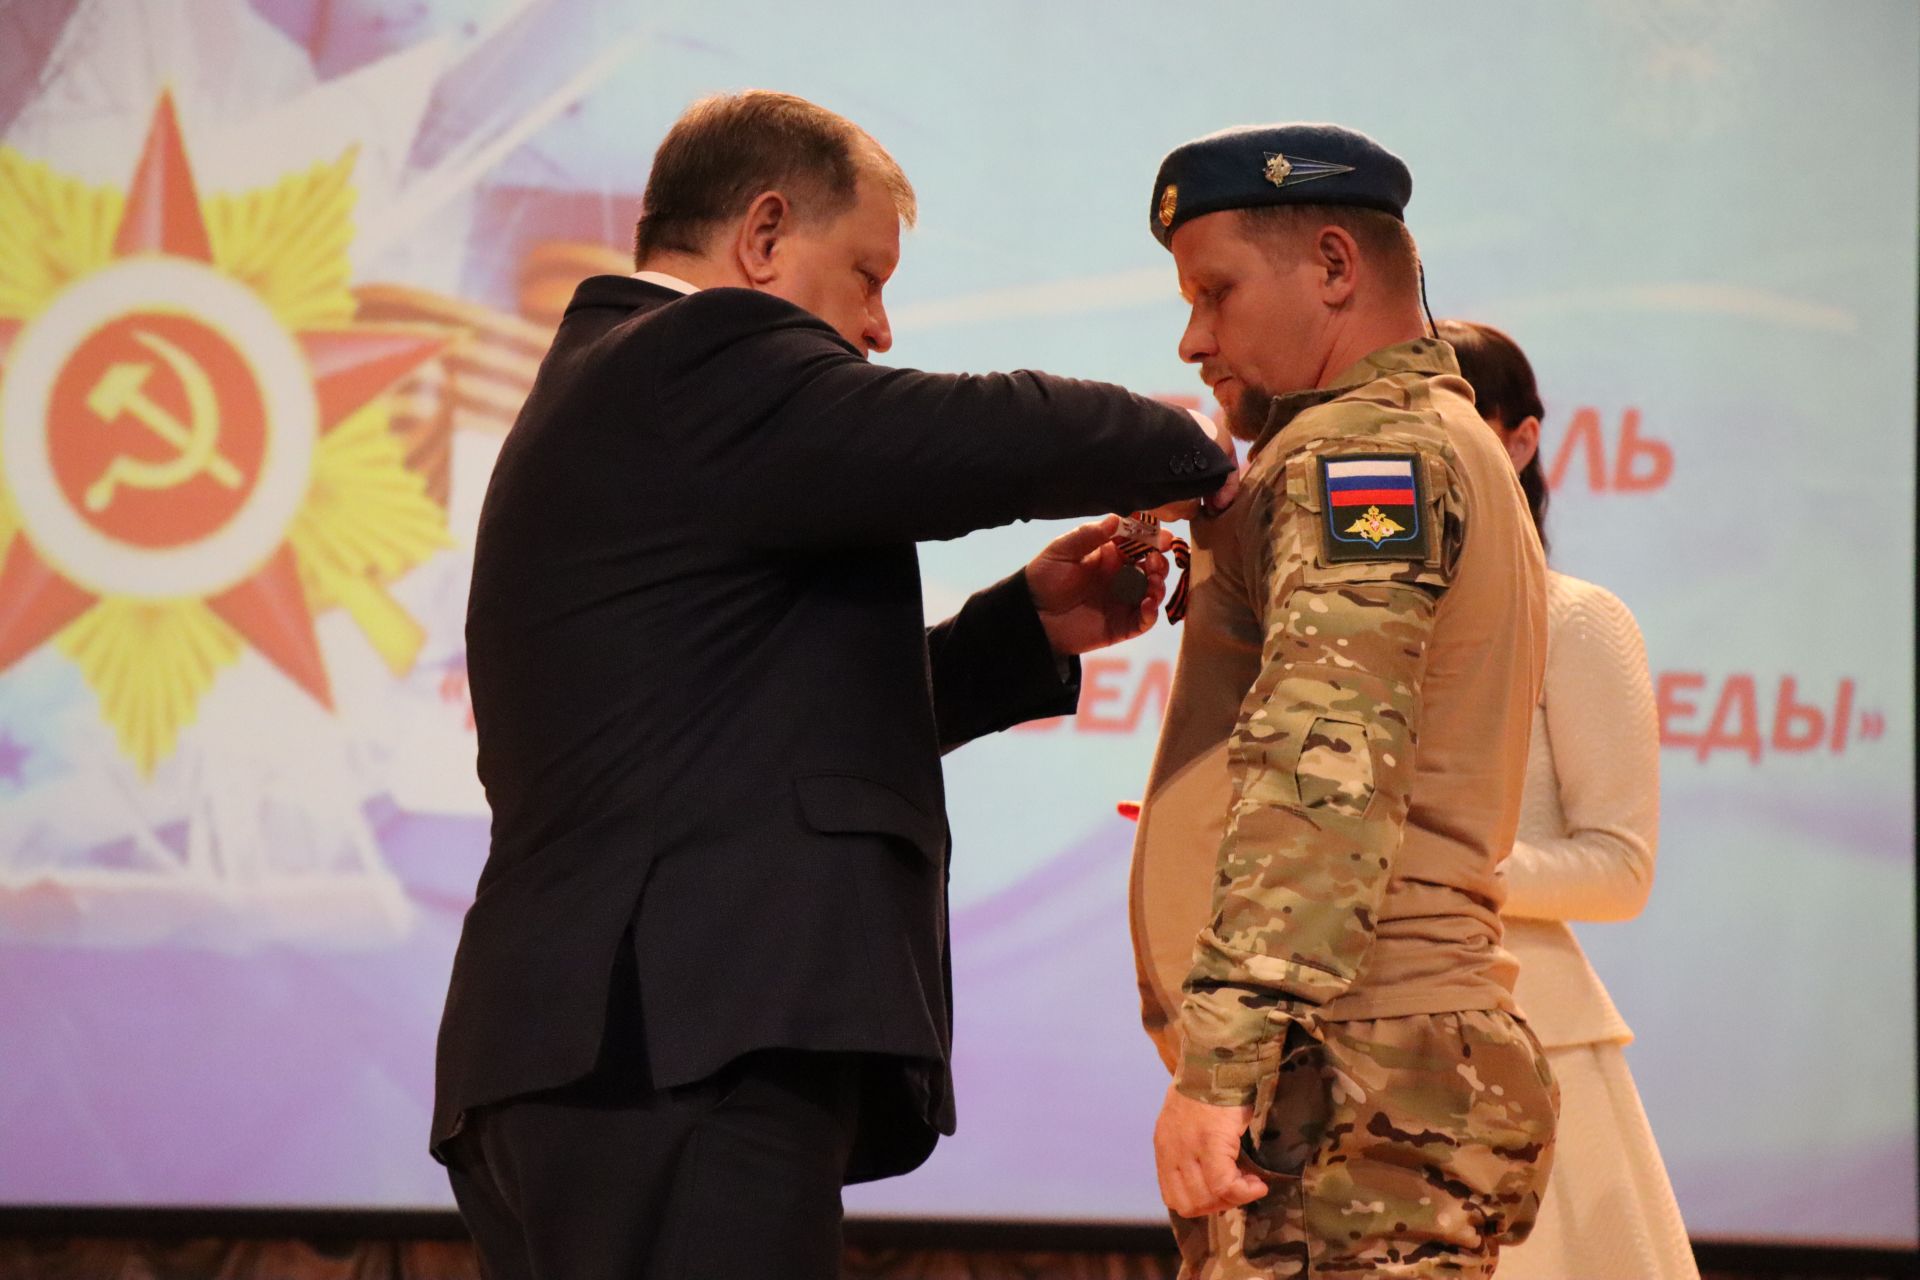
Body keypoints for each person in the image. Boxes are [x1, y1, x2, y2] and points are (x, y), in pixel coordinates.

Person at [432, 91, 1234, 1278]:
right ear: (763, 236)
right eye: (865, 275)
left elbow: (754, 733)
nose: (879, 327)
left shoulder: (620, 390)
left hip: (601, 1054)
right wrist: (1205, 461)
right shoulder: (692, 355)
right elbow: (981, 431)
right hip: (674, 1044)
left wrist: (1020, 632)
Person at [1127, 123, 1558, 1278]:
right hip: (1372, 1064)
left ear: (1333, 264)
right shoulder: (1429, 436)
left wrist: (1222, 1062)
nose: (1193, 337)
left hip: (1347, 1070)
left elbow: (1327, 764)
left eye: (1216, 292)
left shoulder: (1364, 452)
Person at [1437, 318, 1697, 1280]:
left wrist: (1434, 869)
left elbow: (1620, 868)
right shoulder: (1343, 628)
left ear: (1520, 440)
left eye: (1455, 422)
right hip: (1351, 1046)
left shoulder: (1575, 620)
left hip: (1525, 1047)